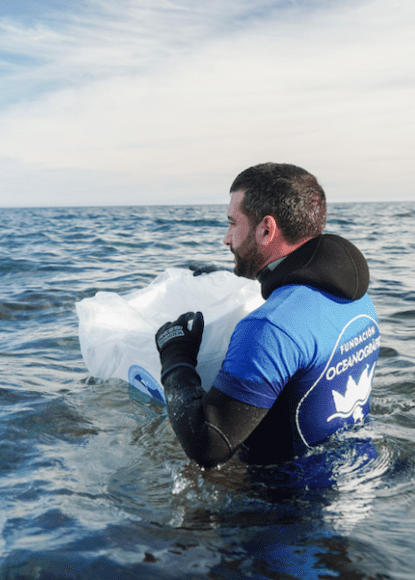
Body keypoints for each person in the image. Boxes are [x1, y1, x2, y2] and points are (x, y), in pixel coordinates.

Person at [155, 163, 380, 467]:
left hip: (289, 505)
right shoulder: (354, 294)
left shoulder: (268, 327)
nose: (226, 238)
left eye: (233, 223)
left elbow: (207, 445)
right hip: (357, 470)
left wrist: (175, 356)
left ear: (266, 230)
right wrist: (228, 278)